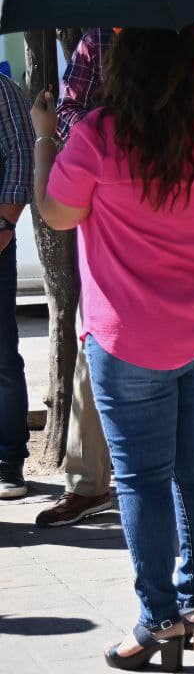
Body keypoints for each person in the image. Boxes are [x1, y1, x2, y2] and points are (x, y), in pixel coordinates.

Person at [31, 25, 194, 669]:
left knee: (143, 481)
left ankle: (159, 621)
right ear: (191, 66)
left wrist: (48, 134)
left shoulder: (97, 135)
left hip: (130, 337)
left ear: (122, 68)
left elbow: (60, 215)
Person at [0, 70, 33, 501]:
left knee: (2, 356)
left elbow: (21, 155)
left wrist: (4, 224)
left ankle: (9, 461)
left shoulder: (2, 90)